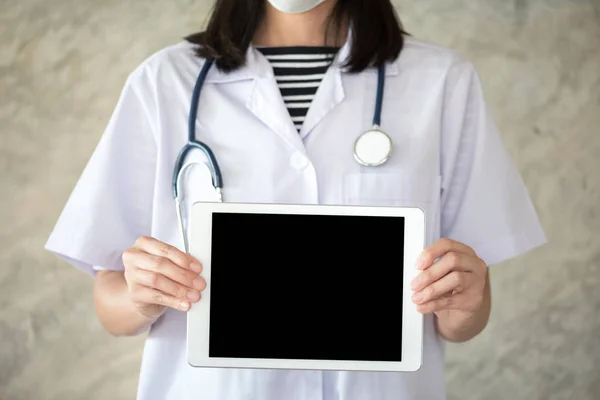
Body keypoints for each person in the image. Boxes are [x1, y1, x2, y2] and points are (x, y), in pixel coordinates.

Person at [45, 0, 547, 399]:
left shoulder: (441, 82)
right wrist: (139, 295)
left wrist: (462, 302)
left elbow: (465, 314)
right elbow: (111, 303)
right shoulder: (164, 83)